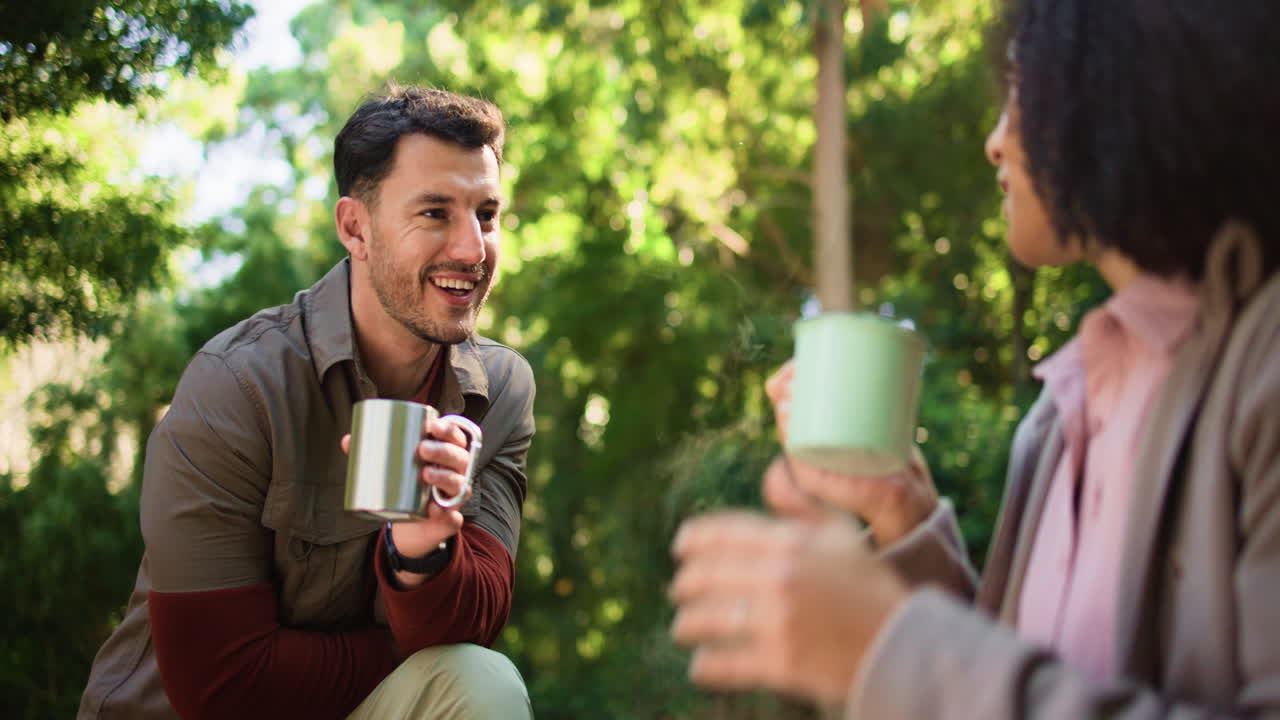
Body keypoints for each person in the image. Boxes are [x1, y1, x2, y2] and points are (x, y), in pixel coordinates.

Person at [670, 0, 1280, 716]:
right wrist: (906, 518)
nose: (995, 142)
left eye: (1022, 88)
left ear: (1127, 79)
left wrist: (887, 649)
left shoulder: (1263, 368)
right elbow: (1017, 674)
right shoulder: (1059, 415)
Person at [79, 86, 536, 720]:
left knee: (478, 681)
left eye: (485, 214)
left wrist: (423, 554)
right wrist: (401, 653)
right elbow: (218, 688)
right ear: (356, 227)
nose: (471, 248)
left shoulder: (500, 389)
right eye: (434, 213)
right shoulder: (237, 386)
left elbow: (466, 636)